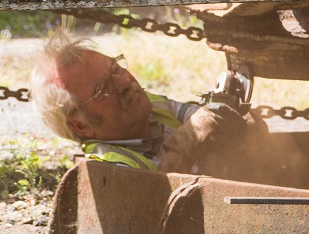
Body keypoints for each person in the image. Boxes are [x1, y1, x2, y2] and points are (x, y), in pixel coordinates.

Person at [30, 35, 262, 174]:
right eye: (103, 89)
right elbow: (161, 197)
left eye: (116, 69)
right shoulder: (111, 167)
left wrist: (213, 120)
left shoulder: (150, 106)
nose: (124, 82)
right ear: (81, 125)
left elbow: (214, 116)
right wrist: (189, 140)